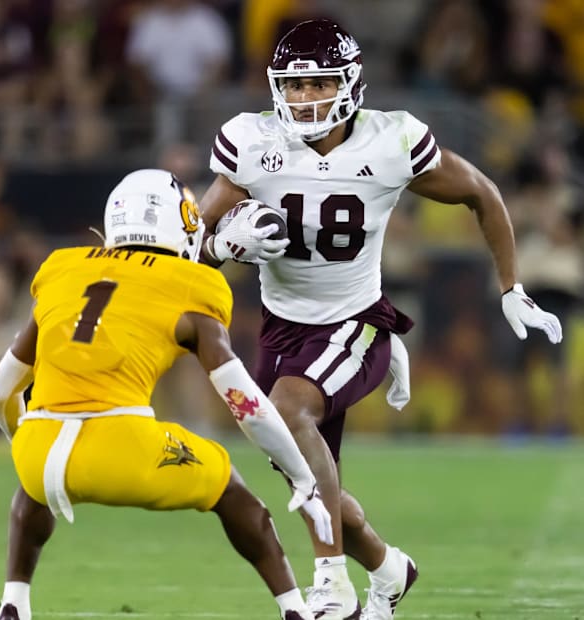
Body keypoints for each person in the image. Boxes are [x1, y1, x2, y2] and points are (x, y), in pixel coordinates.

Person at [197, 18, 563, 620]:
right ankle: (390, 571)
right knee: (307, 476)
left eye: (317, 85)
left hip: (355, 322)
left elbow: (482, 192)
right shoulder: (252, 141)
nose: (303, 98)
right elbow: (197, 236)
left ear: (348, 84)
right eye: (293, 86)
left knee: (289, 413)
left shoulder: (389, 140)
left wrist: (511, 288)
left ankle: (332, 583)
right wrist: (220, 248)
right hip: (281, 329)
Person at [0, 168, 335, 620]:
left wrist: (24, 439)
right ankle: (296, 611)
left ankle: (13, 603)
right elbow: (245, 405)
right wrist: (302, 477)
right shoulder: (194, 285)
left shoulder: (62, 269)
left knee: (36, 482)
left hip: (39, 448)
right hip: (123, 448)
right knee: (232, 490)